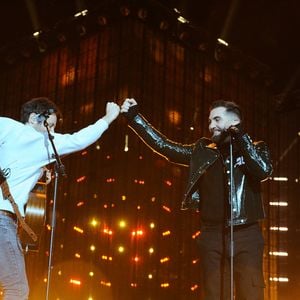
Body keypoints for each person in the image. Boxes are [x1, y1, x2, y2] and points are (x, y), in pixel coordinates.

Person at [121, 98, 272, 300]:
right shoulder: (202, 150)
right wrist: (135, 119)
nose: (211, 126)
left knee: (251, 293)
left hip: (247, 233)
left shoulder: (256, 148)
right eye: (210, 121)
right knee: (214, 294)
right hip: (212, 235)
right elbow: (164, 146)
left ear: (234, 121)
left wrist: (240, 136)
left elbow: (263, 170)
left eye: (216, 119)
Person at [0, 97, 120, 299]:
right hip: (3, 221)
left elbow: (19, 163)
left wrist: (38, 171)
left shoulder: (5, 125)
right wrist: (108, 118)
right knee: (17, 289)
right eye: (51, 126)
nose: (53, 133)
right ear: (33, 118)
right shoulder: (41, 141)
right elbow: (78, 140)